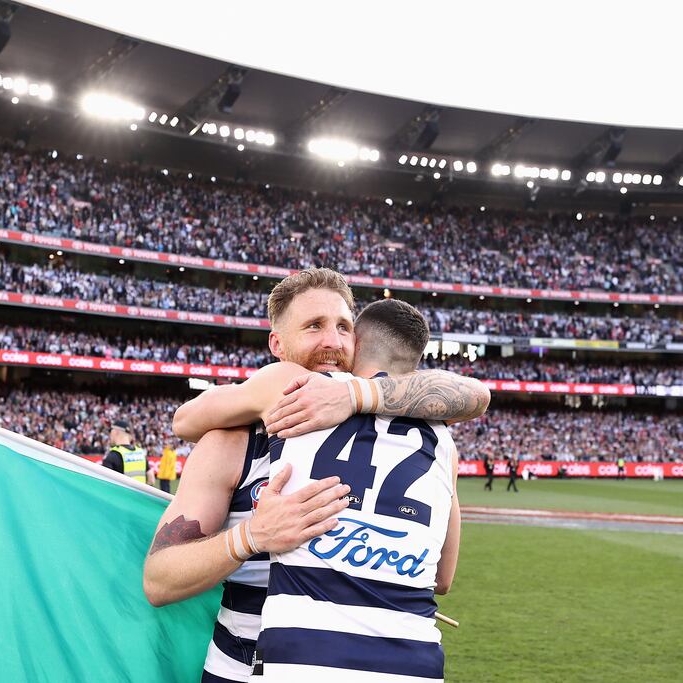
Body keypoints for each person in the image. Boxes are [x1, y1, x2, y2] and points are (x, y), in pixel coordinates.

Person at [144, 268, 488, 682]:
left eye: (344, 327)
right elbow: (159, 580)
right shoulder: (234, 440)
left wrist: (354, 394)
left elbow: (474, 394)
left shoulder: (411, 429)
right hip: (241, 668)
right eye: (313, 327)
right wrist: (250, 537)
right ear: (278, 343)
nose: (332, 341)